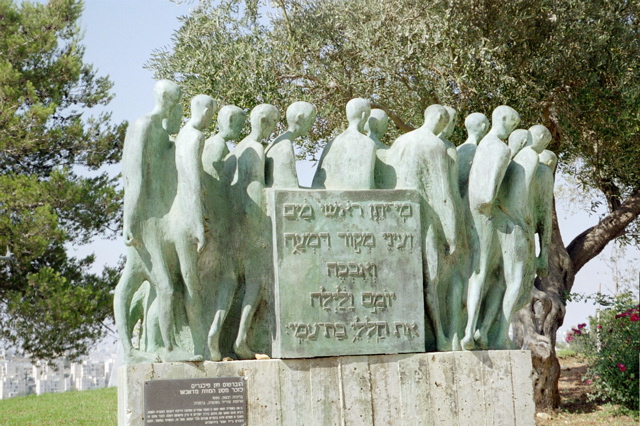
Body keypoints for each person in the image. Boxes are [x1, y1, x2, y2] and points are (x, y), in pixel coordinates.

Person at [115, 80, 202, 363]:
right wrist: (128, 220)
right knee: (162, 287)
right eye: (176, 103)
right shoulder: (144, 126)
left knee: (133, 281)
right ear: (170, 100)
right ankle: (162, 348)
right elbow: (134, 178)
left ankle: (134, 350)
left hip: (155, 220)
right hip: (145, 221)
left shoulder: (162, 135)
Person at [387, 104, 460, 351]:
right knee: (432, 278)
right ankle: (439, 336)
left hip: (395, 218)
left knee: (400, 276)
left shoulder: (400, 142)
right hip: (424, 216)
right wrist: (451, 233)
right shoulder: (434, 145)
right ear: (440, 119)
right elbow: (442, 193)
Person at [462, 105, 520, 350]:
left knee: (477, 271)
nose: (512, 129)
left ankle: (469, 330)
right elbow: (488, 194)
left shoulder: (482, 144)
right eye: (513, 124)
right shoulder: (501, 149)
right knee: (486, 273)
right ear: (503, 120)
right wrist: (504, 214)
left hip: (469, 211)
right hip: (486, 215)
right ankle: (473, 331)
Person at [224, 104, 279, 359]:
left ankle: (228, 339)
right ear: (265, 122)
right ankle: (241, 341)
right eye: (272, 124)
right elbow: (254, 194)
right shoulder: (256, 149)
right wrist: (261, 231)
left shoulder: (238, 148)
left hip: (234, 227)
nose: (272, 130)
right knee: (256, 284)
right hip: (251, 226)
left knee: (236, 286)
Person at [312, 98, 376, 189]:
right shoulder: (368, 144)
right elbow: (368, 185)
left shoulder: (331, 144)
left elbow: (316, 184)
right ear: (363, 115)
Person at [265, 101, 316, 188]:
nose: (312, 123)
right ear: (299, 118)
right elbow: (289, 190)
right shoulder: (284, 147)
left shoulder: (279, 141)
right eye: (311, 118)